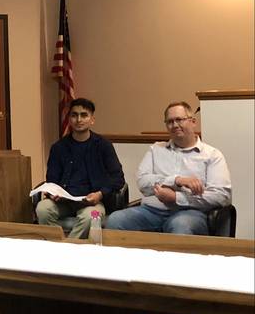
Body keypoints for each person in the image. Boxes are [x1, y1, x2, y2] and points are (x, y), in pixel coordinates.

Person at [106, 101, 231, 235]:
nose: (175, 125)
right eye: (170, 121)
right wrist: (176, 180)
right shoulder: (156, 149)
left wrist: (176, 197)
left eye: (179, 120)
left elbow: (221, 195)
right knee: (114, 220)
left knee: (180, 225)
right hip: (150, 211)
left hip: (190, 213)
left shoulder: (211, 155)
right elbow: (142, 182)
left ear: (193, 121)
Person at [35, 98, 125, 238]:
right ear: (69, 119)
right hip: (64, 201)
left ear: (92, 120)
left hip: (92, 202)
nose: (79, 119)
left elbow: (118, 178)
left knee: (91, 217)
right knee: (42, 209)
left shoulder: (103, 146)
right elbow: (52, 179)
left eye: (84, 115)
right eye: (74, 115)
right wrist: (53, 192)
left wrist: (100, 194)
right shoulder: (59, 147)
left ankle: (68, 250)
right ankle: (55, 246)